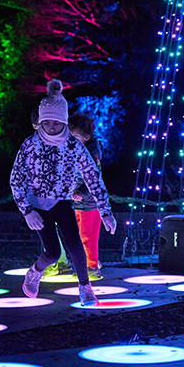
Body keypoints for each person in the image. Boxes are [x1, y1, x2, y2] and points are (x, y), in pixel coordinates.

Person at [10, 80, 117, 306]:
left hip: (62, 201)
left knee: (76, 246)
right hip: (37, 204)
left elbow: (92, 176)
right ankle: (35, 271)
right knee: (52, 252)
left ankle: (85, 288)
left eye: (55, 121)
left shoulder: (73, 145)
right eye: (45, 122)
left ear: (64, 121)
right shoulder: (30, 145)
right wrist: (27, 210)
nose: (50, 127)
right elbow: (16, 179)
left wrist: (105, 211)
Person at [31, 107, 71, 277]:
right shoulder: (33, 144)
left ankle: (58, 263)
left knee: (53, 232)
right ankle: (58, 262)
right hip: (42, 198)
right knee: (50, 232)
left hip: (53, 197)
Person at [69, 113, 105, 280]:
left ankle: (91, 266)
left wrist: (81, 192)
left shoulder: (91, 153)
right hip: (77, 202)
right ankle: (87, 263)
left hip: (90, 202)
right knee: (79, 234)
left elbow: (94, 178)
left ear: (86, 137)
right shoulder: (75, 149)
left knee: (88, 236)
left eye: (75, 137)